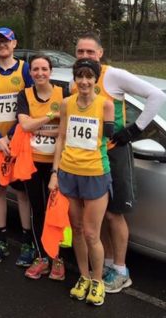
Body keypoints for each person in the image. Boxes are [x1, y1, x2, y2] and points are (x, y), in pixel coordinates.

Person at [74, 32, 166, 293]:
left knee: (115, 213)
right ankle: (108, 264)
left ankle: (122, 270)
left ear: (100, 54)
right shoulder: (78, 79)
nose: (85, 56)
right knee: (98, 214)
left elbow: (156, 96)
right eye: (80, 52)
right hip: (88, 156)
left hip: (113, 153)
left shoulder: (112, 75)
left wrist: (133, 131)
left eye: (90, 52)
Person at [49, 58, 114, 306]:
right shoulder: (66, 103)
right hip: (68, 172)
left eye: (89, 77)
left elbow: (109, 140)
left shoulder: (105, 105)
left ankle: (98, 281)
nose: (84, 81)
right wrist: (54, 172)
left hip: (95, 173)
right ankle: (84, 277)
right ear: (74, 79)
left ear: (96, 79)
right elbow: (62, 137)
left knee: (91, 233)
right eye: (80, 76)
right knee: (75, 229)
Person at [0, 27, 35, 265]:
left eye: (6, 41)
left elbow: (31, 103)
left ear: (14, 44)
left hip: (19, 143)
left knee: (22, 193)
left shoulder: (24, 69)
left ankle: (27, 242)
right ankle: (0, 239)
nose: (2, 45)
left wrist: (12, 135)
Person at [16, 55, 66, 280]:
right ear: (31, 72)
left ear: (51, 71)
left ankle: (58, 258)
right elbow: (24, 125)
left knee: (56, 211)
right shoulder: (25, 94)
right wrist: (51, 117)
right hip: (33, 162)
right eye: (35, 69)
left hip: (58, 163)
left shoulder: (63, 94)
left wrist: (41, 128)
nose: (39, 73)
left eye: (44, 69)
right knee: (37, 209)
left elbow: (67, 129)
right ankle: (42, 256)